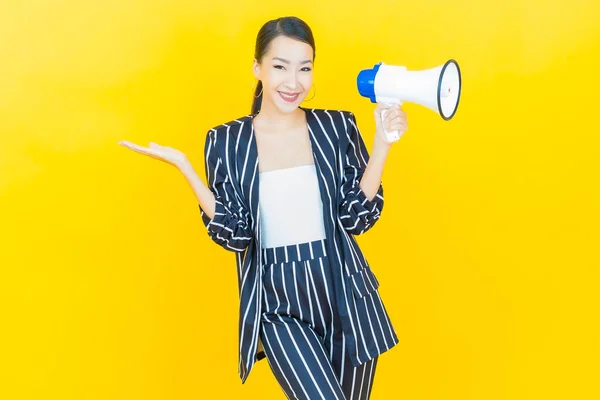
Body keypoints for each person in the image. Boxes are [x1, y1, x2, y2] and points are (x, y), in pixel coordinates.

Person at [119, 15, 408, 400]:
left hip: (346, 296)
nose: (294, 82)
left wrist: (384, 143)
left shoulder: (337, 127)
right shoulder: (227, 141)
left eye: (304, 68)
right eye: (280, 67)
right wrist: (186, 169)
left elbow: (356, 217)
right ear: (257, 67)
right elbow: (235, 234)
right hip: (276, 302)